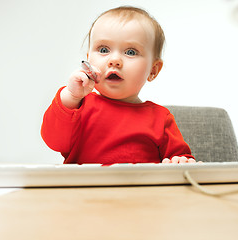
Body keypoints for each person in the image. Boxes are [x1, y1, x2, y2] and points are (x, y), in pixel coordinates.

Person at [41, 6, 196, 164]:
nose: (114, 60)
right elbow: (53, 141)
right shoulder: (78, 107)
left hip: (141, 189)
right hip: (84, 188)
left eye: (130, 52)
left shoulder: (161, 118)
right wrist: (71, 97)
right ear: (89, 60)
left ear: (153, 70)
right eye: (103, 49)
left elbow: (181, 159)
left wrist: (181, 162)